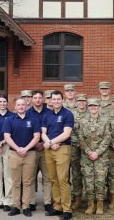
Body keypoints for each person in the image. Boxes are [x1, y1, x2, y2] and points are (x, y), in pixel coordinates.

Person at [3, 97, 41, 217]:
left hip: (29, 154)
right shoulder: (9, 120)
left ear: (26, 106)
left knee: (27, 182)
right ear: (15, 107)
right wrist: (18, 149)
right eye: (18, 105)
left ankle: (26, 206)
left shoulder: (33, 119)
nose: (21, 107)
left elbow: (37, 137)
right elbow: (7, 137)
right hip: (14, 154)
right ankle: (16, 206)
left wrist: (26, 149)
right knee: (15, 182)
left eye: (23, 105)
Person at [41, 91, 74, 219]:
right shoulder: (46, 115)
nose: (55, 101)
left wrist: (51, 142)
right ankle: (57, 206)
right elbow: (43, 132)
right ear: (50, 100)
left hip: (62, 149)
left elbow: (66, 133)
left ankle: (67, 209)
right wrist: (49, 143)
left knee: (63, 180)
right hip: (49, 150)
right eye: (53, 99)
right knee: (53, 179)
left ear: (62, 99)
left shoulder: (67, 114)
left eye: (58, 99)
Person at [76, 98, 110, 215]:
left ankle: (100, 205)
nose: (93, 107)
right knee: (89, 181)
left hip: (101, 156)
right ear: (88, 107)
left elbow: (107, 138)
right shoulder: (83, 121)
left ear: (99, 106)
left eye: (95, 105)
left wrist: (98, 152)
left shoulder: (105, 120)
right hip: (87, 156)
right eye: (90, 106)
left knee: (100, 180)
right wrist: (89, 152)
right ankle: (91, 205)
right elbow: (80, 138)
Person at [26, 89, 51, 212]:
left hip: (47, 149)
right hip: (32, 149)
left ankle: (48, 202)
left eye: (39, 97)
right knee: (31, 177)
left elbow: (52, 130)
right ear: (31, 99)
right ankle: (31, 202)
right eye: (35, 97)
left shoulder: (50, 113)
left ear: (43, 99)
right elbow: (25, 132)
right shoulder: (27, 113)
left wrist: (44, 143)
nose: (37, 100)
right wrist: (36, 143)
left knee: (47, 177)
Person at [70, 93, 87, 210]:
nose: (81, 103)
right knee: (76, 173)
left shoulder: (91, 113)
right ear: (76, 102)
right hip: (75, 147)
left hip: (88, 149)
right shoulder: (71, 114)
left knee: (88, 172)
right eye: (79, 101)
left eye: (83, 101)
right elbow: (69, 131)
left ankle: (91, 197)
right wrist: (80, 142)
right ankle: (77, 198)